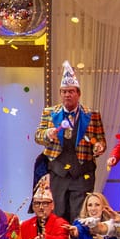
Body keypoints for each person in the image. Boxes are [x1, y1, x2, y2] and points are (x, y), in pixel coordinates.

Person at [34, 61, 106, 219]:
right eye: (64, 91)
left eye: (71, 91)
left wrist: (99, 147)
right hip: (58, 172)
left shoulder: (92, 114)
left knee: (80, 215)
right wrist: (48, 134)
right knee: (58, 213)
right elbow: (38, 136)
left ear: (78, 93)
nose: (67, 95)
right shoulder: (49, 112)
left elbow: (100, 140)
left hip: (82, 173)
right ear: (60, 93)